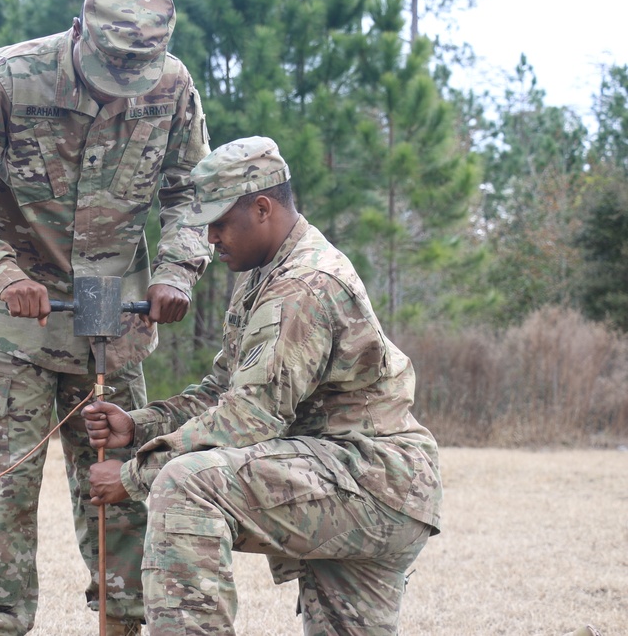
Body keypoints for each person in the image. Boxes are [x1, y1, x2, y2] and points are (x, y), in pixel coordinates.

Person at [0, 0, 211, 634]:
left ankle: (122, 621)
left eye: (138, 69)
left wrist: (177, 269)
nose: (124, 83)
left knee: (115, 479)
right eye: (114, 67)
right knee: (8, 487)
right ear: (79, 33)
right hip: (16, 310)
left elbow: (193, 192)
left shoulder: (171, 84)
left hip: (110, 306)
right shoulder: (11, 75)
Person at [84, 136, 443, 635]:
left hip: (369, 479)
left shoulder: (303, 285)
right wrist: (139, 426)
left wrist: (132, 477)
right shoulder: (264, 275)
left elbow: (250, 416)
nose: (210, 237)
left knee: (186, 484)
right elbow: (221, 392)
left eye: (220, 222)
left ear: (261, 207)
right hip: (367, 482)